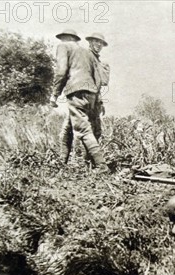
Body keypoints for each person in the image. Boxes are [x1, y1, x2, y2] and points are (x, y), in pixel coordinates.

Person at [51, 29, 108, 171]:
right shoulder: (88, 54)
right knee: (68, 127)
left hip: (76, 91)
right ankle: (61, 162)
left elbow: (61, 71)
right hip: (91, 94)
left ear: (64, 38)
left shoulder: (63, 47)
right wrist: (97, 99)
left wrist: (55, 94)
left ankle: (101, 166)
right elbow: (100, 79)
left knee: (83, 130)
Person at [85, 33, 110, 143]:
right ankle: (81, 159)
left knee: (96, 131)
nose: (99, 45)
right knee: (86, 130)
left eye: (101, 43)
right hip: (85, 98)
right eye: (96, 41)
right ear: (90, 42)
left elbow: (102, 83)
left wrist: (100, 102)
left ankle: (88, 159)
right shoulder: (85, 57)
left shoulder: (98, 61)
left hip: (95, 99)